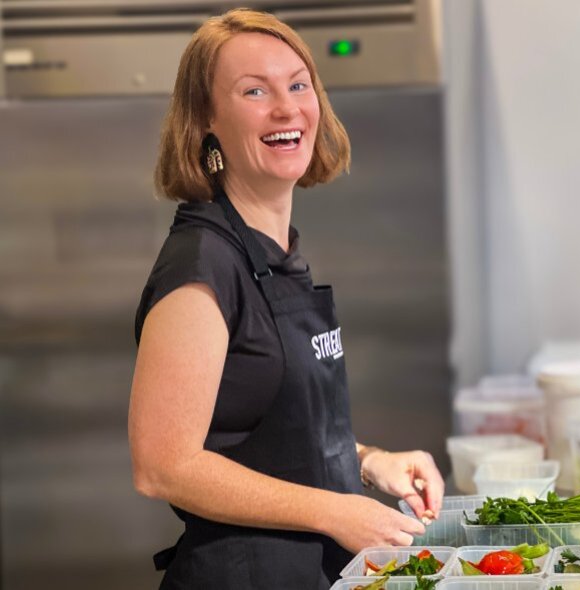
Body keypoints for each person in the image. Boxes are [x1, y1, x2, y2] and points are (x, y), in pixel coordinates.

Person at [128, 8, 444, 588]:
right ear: (206, 120)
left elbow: (274, 437)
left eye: (298, 84)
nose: (286, 108)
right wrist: (335, 510)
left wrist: (370, 462)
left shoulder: (273, 252)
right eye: (255, 91)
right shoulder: (203, 264)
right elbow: (162, 466)